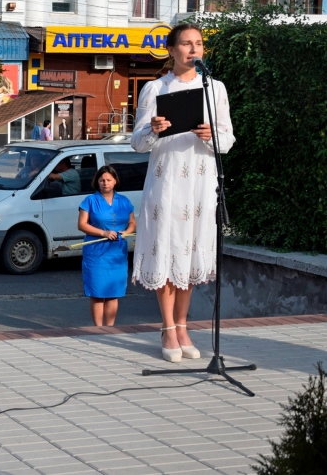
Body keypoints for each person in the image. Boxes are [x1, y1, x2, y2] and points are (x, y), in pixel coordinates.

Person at [130, 22, 236, 363]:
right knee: (166, 251)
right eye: (187, 44)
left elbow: (229, 140)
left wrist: (210, 135)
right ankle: (167, 328)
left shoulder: (215, 88)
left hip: (201, 186)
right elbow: (137, 143)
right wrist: (154, 129)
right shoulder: (154, 88)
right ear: (172, 50)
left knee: (189, 256)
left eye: (199, 44)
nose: (194, 50)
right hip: (167, 184)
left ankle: (183, 325)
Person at [78, 166, 136, 326]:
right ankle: (98, 328)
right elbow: (82, 224)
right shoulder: (89, 200)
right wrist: (103, 233)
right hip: (96, 253)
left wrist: (126, 232)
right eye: (102, 180)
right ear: (97, 181)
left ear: (115, 181)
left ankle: (110, 328)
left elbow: (132, 223)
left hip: (117, 253)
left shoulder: (124, 201)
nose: (105, 183)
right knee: (97, 293)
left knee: (113, 293)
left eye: (109, 180)